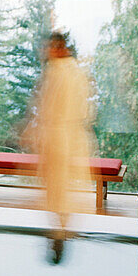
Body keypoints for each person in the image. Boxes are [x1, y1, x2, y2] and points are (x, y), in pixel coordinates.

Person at [30, 30, 96, 256]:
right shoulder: (74, 70)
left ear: (57, 48)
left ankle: (60, 227)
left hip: (60, 134)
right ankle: (61, 225)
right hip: (67, 133)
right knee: (59, 183)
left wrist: (39, 131)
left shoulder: (61, 72)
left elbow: (49, 105)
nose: (45, 52)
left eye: (48, 48)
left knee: (58, 183)